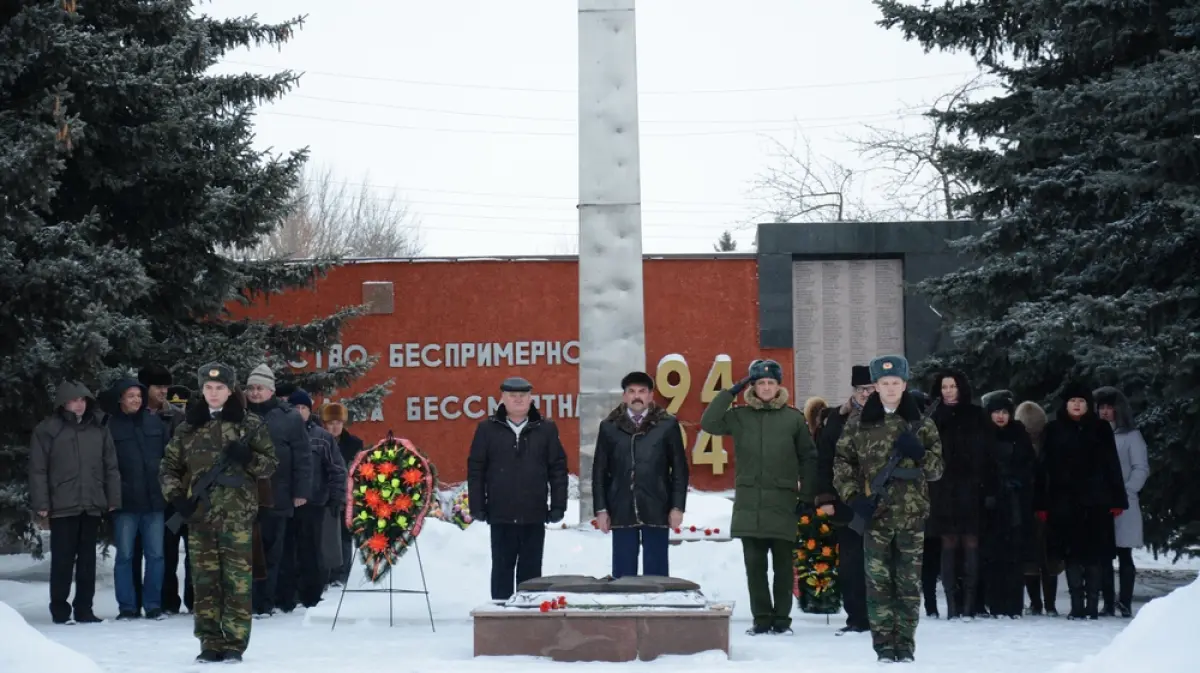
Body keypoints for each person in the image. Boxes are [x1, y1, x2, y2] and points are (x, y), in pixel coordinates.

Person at [160, 363, 277, 663]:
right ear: (202, 390)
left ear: (230, 390)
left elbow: (270, 465)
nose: (214, 393)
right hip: (199, 518)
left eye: (220, 388)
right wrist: (176, 498)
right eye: (209, 388)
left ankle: (235, 643)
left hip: (237, 516)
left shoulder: (248, 424)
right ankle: (209, 641)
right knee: (204, 582)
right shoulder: (188, 427)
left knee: (237, 583)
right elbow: (169, 467)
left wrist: (248, 457)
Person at [833, 355, 944, 663]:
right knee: (878, 585)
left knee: (908, 586)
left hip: (911, 515)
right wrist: (854, 498)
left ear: (904, 385)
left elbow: (937, 470)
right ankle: (884, 647)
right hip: (876, 516)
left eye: (896, 383)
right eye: (884, 384)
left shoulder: (922, 421)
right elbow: (843, 464)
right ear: (876, 387)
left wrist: (919, 453)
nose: (891, 388)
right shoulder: (859, 423)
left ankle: (905, 646)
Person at [701, 359, 817, 636]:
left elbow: (809, 457)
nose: (766, 388)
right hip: (750, 504)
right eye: (760, 383)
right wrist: (731, 391)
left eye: (771, 383)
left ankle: (782, 620)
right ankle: (762, 618)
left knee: (783, 568)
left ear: (779, 386)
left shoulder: (793, 418)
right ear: (752, 386)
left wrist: (808, 495)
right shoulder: (740, 416)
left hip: (782, 501)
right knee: (755, 568)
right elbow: (709, 422)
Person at [467, 376, 569, 601]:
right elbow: (476, 470)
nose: (518, 400)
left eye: (523, 395)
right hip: (500, 513)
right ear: (502, 398)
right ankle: (500, 614)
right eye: (513, 396)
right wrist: (477, 504)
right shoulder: (487, 429)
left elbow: (558, 469)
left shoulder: (546, 429)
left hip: (534, 513)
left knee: (531, 571)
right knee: (502, 568)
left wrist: (558, 505)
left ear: (531, 399)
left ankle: (528, 614)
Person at [28, 380, 121, 624]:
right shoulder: (48, 430)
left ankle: (84, 609)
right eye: (74, 400)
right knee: (62, 560)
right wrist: (42, 503)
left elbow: (110, 465)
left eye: (83, 400)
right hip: (61, 505)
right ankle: (60, 610)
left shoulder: (99, 428)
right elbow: (38, 469)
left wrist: (112, 498)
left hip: (91, 503)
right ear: (63, 403)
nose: (79, 405)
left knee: (88, 561)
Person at [1035, 382, 1127, 621]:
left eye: (1082, 401)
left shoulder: (1101, 429)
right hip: (1063, 503)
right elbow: (1043, 469)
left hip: (1096, 502)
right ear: (1065, 404)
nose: (1077, 405)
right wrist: (1042, 503)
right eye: (1073, 401)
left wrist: (1117, 498)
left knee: (1095, 555)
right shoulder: (1054, 429)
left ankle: (1092, 605)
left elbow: (1112, 465)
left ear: (1089, 405)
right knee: (1071, 554)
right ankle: (1076, 605)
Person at [592, 371, 689, 578]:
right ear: (624, 396)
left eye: (642, 391)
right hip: (622, 508)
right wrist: (601, 509)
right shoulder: (609, 427)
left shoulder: (667, 425)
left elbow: (679, 469)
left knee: (656, 577)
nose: (637, 396)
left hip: (657, 506)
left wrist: (677, 506)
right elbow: (599, 471)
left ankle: (656, 610)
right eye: (632, 391)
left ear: (651, 396)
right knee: (623, 576)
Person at [242, 364, 312, 618]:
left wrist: (301, 490)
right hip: (243, 495)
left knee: (272, 551)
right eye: (251, 388)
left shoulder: (289, 417)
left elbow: (303, 456)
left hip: (277, 494)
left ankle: (265, 602)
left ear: (271, 390)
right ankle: (246, 602)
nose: (255, 392)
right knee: (246, 551)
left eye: (260, 388)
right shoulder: (239, 413)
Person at [105, 378, 171, 620]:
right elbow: (106, 464)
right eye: (130, 395)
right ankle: (127, 607)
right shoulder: (110, 426)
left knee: (156, 556)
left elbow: (169, 457)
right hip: (125, 502)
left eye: (139, 395)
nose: (136, 399)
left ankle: (153, 605)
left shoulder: (155, 422)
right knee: (124, 556)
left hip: (155, 501)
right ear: (120, 398)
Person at [815, 364, 874, 635]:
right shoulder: (837, 419)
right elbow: (824, 459)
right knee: (851, 563)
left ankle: (881, 616)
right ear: (854, 390)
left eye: (871, 389)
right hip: (846, 501)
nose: (866, 394)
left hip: (881, 502)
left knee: (880, 563)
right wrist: (825, 497)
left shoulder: (888, 416)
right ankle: (856, 617)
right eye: (862, 389)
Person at [927, 369, 990, 620]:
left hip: (972, 489)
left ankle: (970, 604)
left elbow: (987, 454)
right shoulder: (932, 417)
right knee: (948, 544)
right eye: (944, 387)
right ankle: (952, 605)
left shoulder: (976, 415)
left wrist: (985, 486)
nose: (949, 391)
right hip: (943, 490)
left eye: (953, 386)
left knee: (971, 543)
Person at [283, 389, 346, 608]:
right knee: (287, 551)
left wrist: (336, 496)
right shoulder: (280, 433)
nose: (299, 412)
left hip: (314, 502)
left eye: (304, 408)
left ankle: (311, 595)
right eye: (295, 408)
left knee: (312, 551)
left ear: (310, 411)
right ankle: (288, 596)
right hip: (284, 502)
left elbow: (337, 469)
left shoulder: (322, 437)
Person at [1093, 386, 1149, 618]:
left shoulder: (1131, 436)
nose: (1105, 412)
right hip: (1097, 502)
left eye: (1109, 408)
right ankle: (1107, 602)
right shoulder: (1092, 434)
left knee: (1124, 554)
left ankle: (1124, 601)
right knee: (1103, 555)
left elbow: (1140, 468)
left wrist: (1125, 492)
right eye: (1101, 408)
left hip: (1123, 503)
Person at [981, 391, 1037, 619]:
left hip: (1015, 501)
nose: (1001, 416)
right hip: (990, 502)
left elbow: (1029, 465)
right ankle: (994, 603)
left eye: (1004, 412)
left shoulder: (1019, 434)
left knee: (1015, 554)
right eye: (996, 412)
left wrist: (1017, 482)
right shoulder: (983, 435)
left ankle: (1014, 604)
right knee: (993, 555)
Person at [320, 402, 363, 586]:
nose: (335, 426)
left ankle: (342, 574)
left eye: (338, 422)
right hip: (324, 493)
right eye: (331, 422)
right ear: (325, 423)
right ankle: (327, 573)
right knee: (327, 535)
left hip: (347, 495)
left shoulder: (354, 444)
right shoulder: (318, 440)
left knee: (345, 535)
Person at [161, 384, 195, 613]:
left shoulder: (197, 432)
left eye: (181, 407)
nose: (178, 412)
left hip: (194, 501)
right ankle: (168, 602)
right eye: (174, 407)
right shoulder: (162, 427)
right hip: (169, 502)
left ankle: (192, 601)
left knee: (194, 557)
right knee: (167, 555)